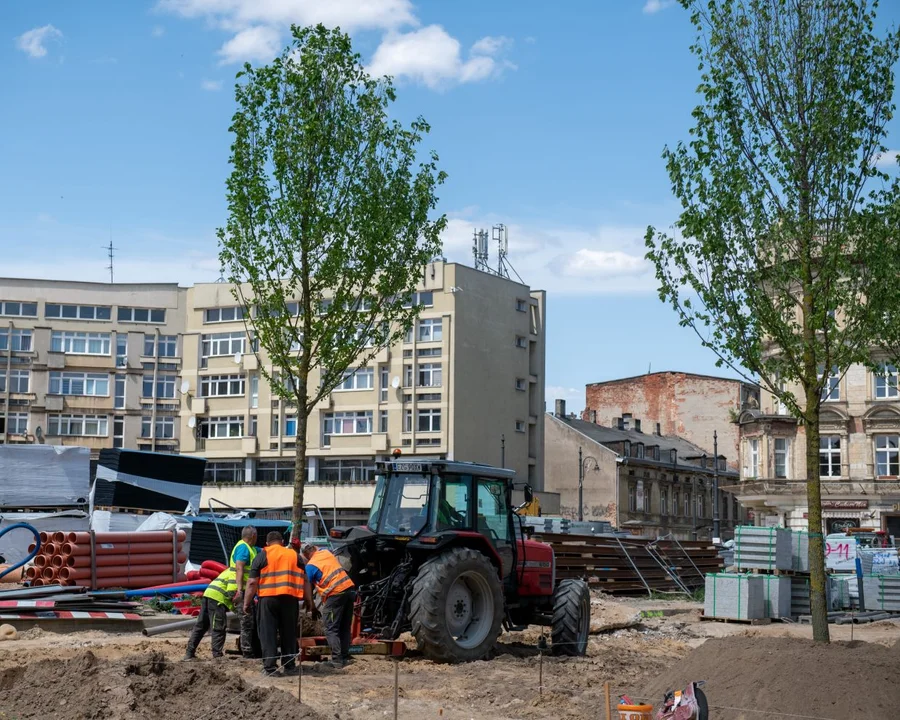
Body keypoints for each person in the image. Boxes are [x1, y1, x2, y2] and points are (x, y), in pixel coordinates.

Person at [244, 531, 312, 677]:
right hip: (290, 599)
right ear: (282, 541)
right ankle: (289, 666)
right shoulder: (294, 555)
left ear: (267, 543)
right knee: (289, 632)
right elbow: (306, 580)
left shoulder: (262, 555)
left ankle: (270, 668)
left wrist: (246, 603)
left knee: (268, 633)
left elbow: (252, 582)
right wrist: (309, 600)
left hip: (268, 600)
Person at [300, 542, 356, 669]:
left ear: (305, 554)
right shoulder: (326, 553)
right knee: (344, 627)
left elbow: (307, 587)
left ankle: (337, 660)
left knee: (330, 628)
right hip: (349, 590)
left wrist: (312, 606)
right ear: (314, 548)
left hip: (336, 594)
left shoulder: (311, 565)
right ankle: (345, 656)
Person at [183, 566, 238, 660]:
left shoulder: (231, 569)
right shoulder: (239, 572)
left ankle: (189, 653)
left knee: (201, 626)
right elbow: (231, 592)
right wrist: (237, 610)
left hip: (208, 593)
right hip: (217, 598)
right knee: (218, 627)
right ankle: (217, 656)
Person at [229, 526, 260, 658]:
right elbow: (239, 568)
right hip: (240, 590)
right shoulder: (243, 548)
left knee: (250, 621)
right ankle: (247, 652)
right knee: (246, 621)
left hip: (247, 590)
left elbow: (264, 551)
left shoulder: (251, 549)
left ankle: (250, 649)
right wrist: (240, 590)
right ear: (253, 535)